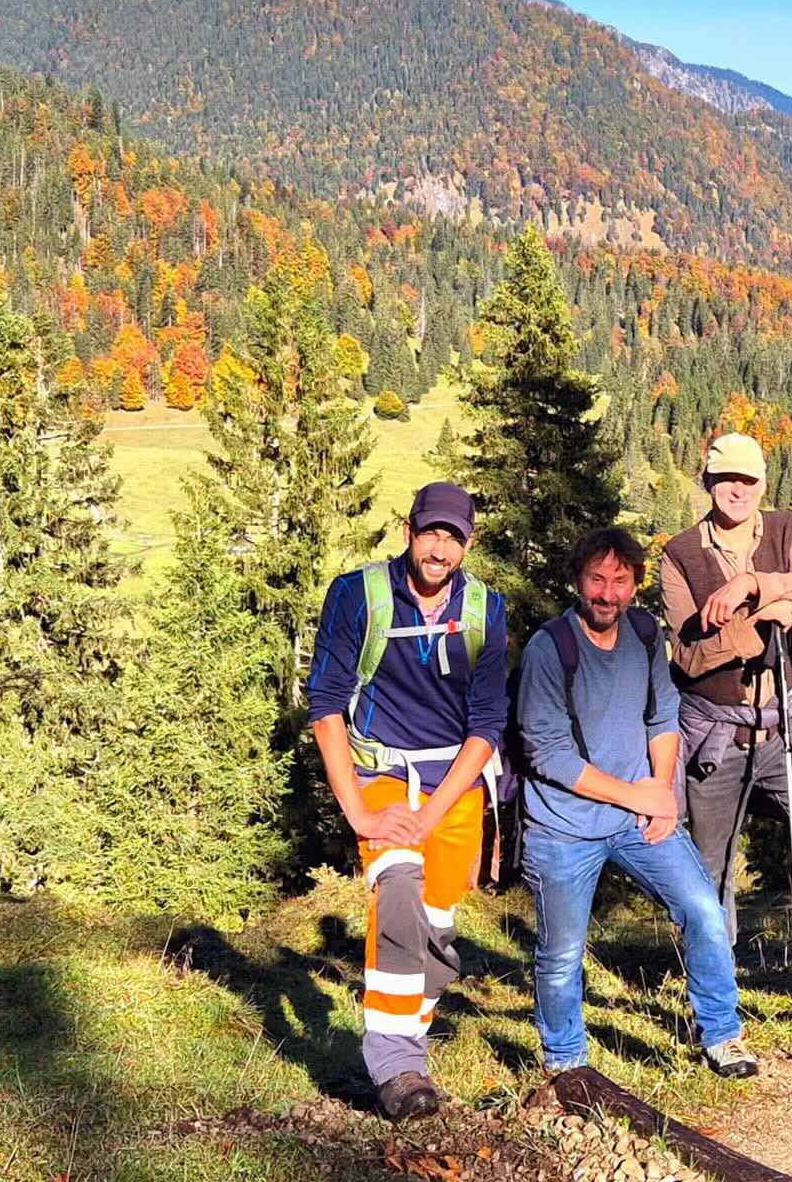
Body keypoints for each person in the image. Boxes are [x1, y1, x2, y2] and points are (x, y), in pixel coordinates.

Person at [518, 526, 759, 1079]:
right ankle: (566, 1064)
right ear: (577, 581)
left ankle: (723, 1034)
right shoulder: (549, 648)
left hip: (638, 816)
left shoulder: (647, 634)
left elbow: (663, 716)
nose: (607, 594)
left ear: (635, 584)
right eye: (597, 580)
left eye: (620, 581)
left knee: (703, 911)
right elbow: (546, 753)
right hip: (563, 826)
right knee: (560, 956)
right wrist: (640, 795)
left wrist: (664, 796)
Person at [660, 432, 792, 1049]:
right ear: (708, 481)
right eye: (726, 478)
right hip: (715, 732)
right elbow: (688, 655)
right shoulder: (678, 555)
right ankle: (716, 997)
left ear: (763, 483)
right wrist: (761, 622)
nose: (738, 489)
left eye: (748, 480)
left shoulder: (788, 529)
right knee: (711, 869)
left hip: (790, 717)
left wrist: (753, 586)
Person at [307, 481, 507, 1122]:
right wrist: (360, 813)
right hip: (384, 776)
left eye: (453, 536)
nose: (439, 548)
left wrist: (436, 809)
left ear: (467, 544)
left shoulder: (485, 609)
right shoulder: (358, 594)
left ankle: (405, 1033)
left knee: (438, 934)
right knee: (397, 897)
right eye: (430, 532)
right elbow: (326, 707)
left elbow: (486, 727)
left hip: (455, 783)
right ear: (409, 531)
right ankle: (397, 1068)